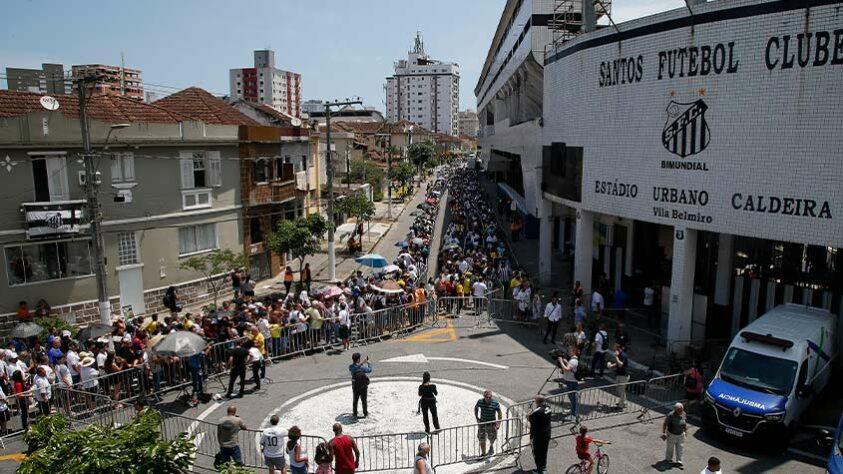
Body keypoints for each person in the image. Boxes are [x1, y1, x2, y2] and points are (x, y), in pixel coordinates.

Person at [474, 390, 503, 457]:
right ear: (484, 397)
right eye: (486, 397)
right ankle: (483, 454)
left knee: (492, 438)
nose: (488, 399)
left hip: (492, 424)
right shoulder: (480, 402)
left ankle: (491, 445)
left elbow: (499, 413)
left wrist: (499, 423)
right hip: (482, 423)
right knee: (482, 438)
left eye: (490, 397)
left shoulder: (495, 403)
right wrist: (477, 417)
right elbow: (476, 407)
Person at [528, 395, 552, 474]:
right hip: (547, 433)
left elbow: (530, 417)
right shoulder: (548, 407)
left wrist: (529, 411)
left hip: (539, 435)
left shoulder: (537, 412)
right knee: (544, 451)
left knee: (537, 453)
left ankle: (539, 470)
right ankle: (543, 467)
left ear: (537, 401)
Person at [662, 402, 687, 469]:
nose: (681, 411)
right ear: (675, 410)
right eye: (679, 410)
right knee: (670, 447)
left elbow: (684, 422)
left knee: (680, 448)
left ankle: (679, 461)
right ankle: (668, 459)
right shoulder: (670, 415)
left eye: (682, 409)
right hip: (672, 434)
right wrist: (664, 433)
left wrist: (685, 431)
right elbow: (665, 424)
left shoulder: (684, 413)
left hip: (681, 434)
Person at [558, 347, 579, 420]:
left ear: (574, 351)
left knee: (573, 398)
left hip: (572, 382)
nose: (568, 352)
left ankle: (573, 414)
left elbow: (567, 369)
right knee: (571, 397)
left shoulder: (573, 361)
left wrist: (561, 362)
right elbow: (570, 367)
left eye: (570, 351)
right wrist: (566, 362)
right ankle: (572, 410)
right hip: (570, 381)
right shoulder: (572, 360)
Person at [349, 353, 372, 418]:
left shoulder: (351, 367)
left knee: (355, 400)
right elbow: (369, 370)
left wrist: (362, 363)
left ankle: (355, 413)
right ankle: (365, 413)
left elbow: (356, 367)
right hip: (363, 387)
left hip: (355, 387)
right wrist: (368, 363)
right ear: (358, 359)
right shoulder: (362, 368)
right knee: (364, 400)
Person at [607, 343, 629, 409]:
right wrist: (612, 365)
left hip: (623, 376)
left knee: (620, 390)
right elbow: (618, 363)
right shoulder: (620, 355)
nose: (613, 349)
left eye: (614, 348)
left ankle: (621, 405)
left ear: (618, 349)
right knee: (621, 389)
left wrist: (616, 356)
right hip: (620, 375)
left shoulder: (623, 355)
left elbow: (620, 364)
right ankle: (624, 402)